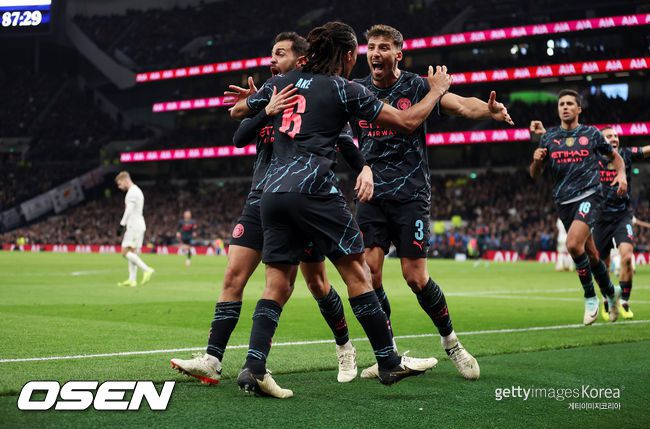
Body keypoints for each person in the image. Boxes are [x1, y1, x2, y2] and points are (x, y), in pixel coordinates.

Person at [229, 21, 451, 398]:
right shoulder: (343, 88)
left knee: (276, 284)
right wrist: (436, 91)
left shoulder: (280, 82)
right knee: (357, 273)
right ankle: (388, 361)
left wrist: (262, 102)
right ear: (348, 55)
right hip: (315, 190)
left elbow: (237, 111)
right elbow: (407, 121)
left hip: (272, 192)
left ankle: (254, 367)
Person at [171, 32, 369, 388]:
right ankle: (213, 360)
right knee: (233, 277)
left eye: (280, 54)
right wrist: (264, 108)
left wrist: (364, 168)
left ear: (301, 60)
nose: (271, 60)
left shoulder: (321, 96)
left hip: (301, 198)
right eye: (271, 54)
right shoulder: (272, 93)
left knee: (316, 283)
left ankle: (344, 346)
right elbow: (238, 135)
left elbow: (345, 142)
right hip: (260, 198)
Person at [352, 25, 514, 380]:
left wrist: (487, 110)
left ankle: (451, 342)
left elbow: (461, 105)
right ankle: (387, 353)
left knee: (415, 277)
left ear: (398, 54)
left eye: (384, 47)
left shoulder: (416, 86)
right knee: (369, 273)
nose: (375, 53)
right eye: (372, 47)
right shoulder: (357, 90)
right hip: (372, 195)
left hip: (411, 195)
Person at [529, 90, 627, 325]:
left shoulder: (591, 134)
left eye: (570, 104)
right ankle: (611, 292)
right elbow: (534, 174)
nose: (565, 107)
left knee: (573, 244)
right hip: (563, 202)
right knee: (592, 255)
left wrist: (622, 174)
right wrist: (537, 161)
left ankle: (590, 297)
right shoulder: (549, 138)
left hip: (590, 196)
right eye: (561, 104)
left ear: (579, 109)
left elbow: (615, 157)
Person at [594, 127, 649, 320]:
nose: (614, 138)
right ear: (601, 141)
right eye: (609, 136)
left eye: (616, 136)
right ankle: (607, 299)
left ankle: (624, 301)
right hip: (599, 219)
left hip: (622, 216)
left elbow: (645, 150)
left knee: (626, 257)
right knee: (603, 265)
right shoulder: (593, 158)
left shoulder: (625, 154)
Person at [115, 171, 154, 287]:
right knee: (132, 253)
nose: (119, 187)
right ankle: (132, 280)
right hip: (138, 225)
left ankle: (147, 270)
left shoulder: (132, 192)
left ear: (125, 180)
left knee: (124, 252)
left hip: (134, 226)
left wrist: (122, 225)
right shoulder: (137, 190)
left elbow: (129, 210)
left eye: (120, 183)